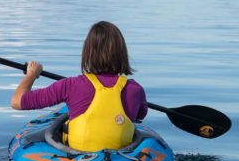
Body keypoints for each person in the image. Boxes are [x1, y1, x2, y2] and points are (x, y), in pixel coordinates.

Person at [10, 21, 148, 151]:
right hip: (121, 158)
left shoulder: (70, 86)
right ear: (122, 53)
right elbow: (140, 116)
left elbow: (17, 102)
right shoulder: (136, 90)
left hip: (77, 157)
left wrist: (31, 74)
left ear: (88, 53)